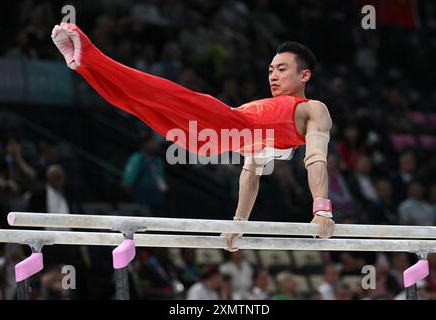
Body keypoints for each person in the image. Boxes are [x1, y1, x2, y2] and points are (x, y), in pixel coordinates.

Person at [51, 23, 335, 250]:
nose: (273, 76)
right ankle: (84, 65)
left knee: (153, 95)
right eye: (271, 69)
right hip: (213, 131)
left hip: (220, 131)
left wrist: (321, 209)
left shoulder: (313, 109)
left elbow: (314, 159)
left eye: (282, 69)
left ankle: (90, 56)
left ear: (305, 75)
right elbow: (249, 176)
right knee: (138, 103)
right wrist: (239, 224)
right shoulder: (271, 116)